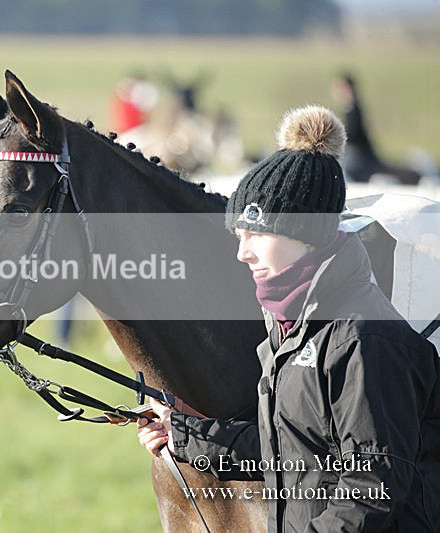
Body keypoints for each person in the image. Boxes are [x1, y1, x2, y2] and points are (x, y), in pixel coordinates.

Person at [137, 105, 440, 531]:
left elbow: (372, 489)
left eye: (257, 234)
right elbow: (291, 448)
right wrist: (184, 437)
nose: (243, 253)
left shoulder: (365, 340)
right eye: (240, 236)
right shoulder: (291, 329)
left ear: (305, 233)